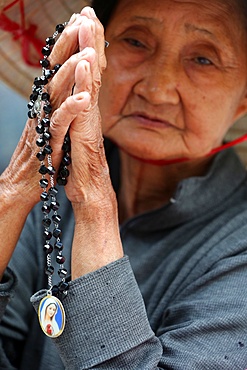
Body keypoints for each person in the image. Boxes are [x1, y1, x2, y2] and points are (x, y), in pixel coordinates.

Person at [1, 0, 247, 368]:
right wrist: (13, 193)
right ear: (90, 55)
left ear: (243, 101)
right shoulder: (45, 185)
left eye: (203, 59)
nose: (157, 88)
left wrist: (94, 204)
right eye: (135, 42)